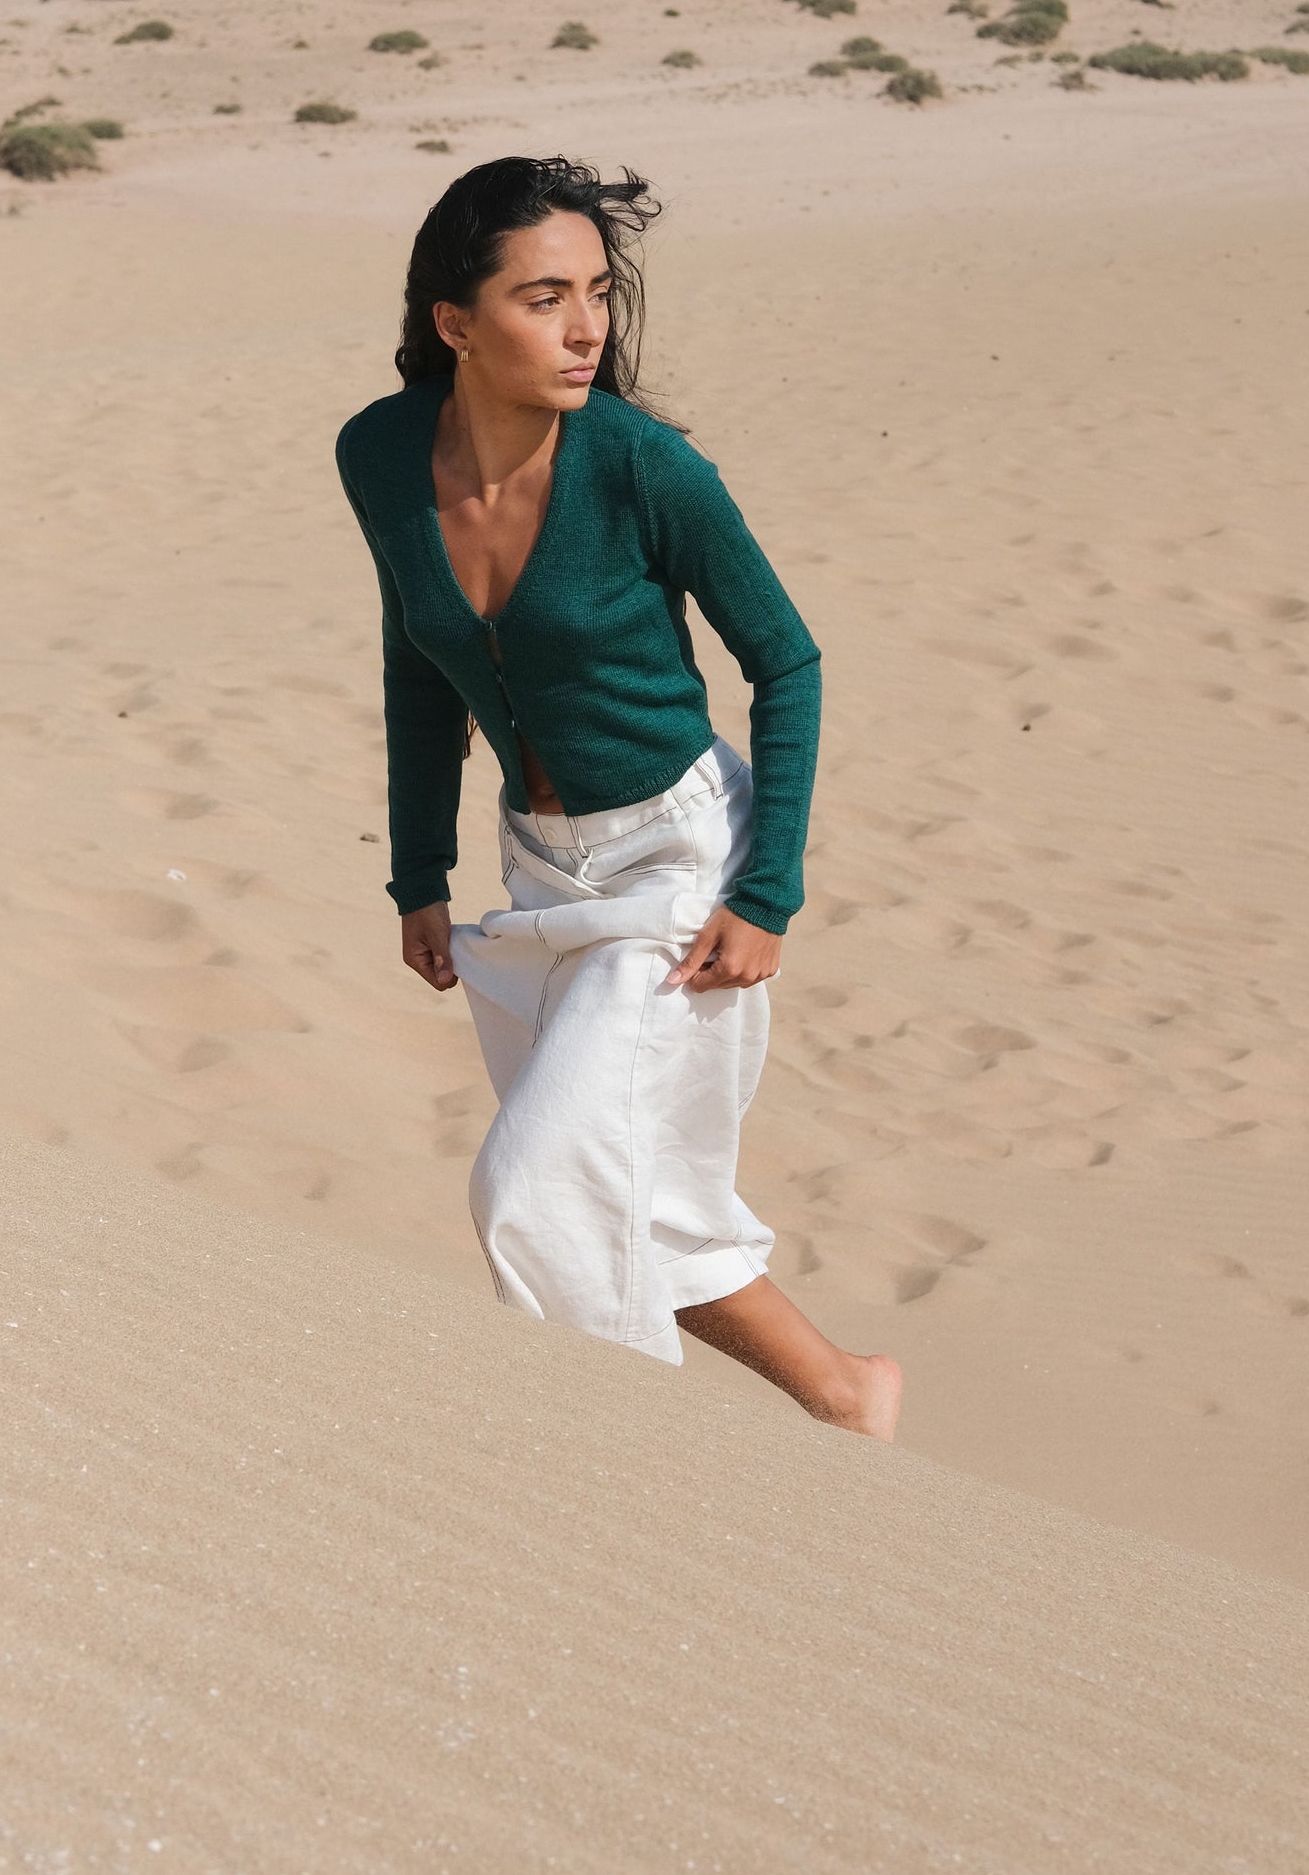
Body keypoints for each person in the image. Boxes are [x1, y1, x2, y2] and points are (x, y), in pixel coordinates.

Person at [335, 155, 900, 1440]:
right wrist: (417, 872)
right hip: (539, 870)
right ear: (455, 322)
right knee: (627, 1196)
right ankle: (845, 1395)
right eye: (545, 297)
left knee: (536, 1190)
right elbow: (413, 663)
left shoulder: (644, 468)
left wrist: (766, 897)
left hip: (679, 866)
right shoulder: (378, 455)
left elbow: (788, 662)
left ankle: (627, 1485)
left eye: (597, 292)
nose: (588, 327)